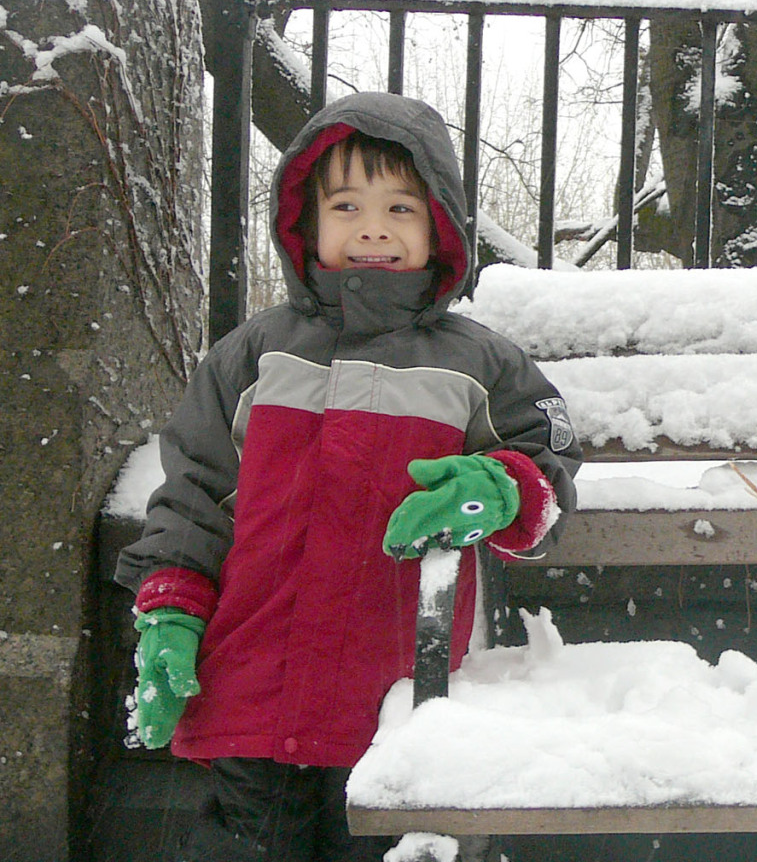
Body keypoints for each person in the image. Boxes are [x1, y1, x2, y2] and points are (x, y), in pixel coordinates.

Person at [116, 92, 581, 861]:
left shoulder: (480, 364)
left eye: (401, 206)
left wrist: (500, 489)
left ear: (440, 227)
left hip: (393, 692)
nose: (373, 226)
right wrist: (170, 610)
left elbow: (545, 462)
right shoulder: (252, 356)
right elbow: (195, 496)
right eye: (347, 205)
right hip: (251, 685)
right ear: (308, 221)